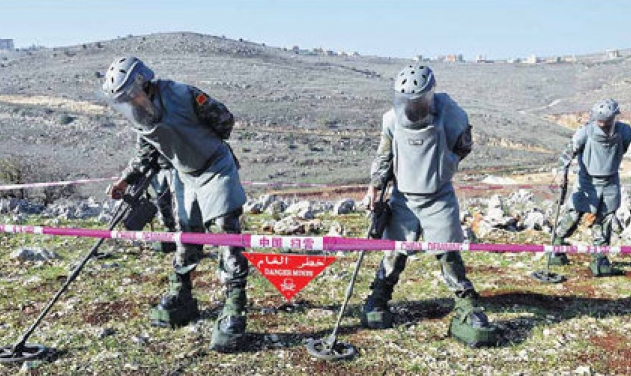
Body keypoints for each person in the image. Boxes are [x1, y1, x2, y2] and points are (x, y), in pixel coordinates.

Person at [102, 56, 249, 352]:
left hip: (215, 168)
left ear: (143, 82)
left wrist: (201, 141)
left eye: (131, 93)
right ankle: (181, 295)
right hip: (184, 176)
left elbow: (224, 119)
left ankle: (234, 307)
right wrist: (126, 180)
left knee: (227, 235)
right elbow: (146, 150)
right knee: (185, 237)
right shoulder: (140, 114)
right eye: (123, 98)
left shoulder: (183, 94)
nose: (129, 101)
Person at [362, 63, 497, 347]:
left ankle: (466, 304)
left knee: (448, 255)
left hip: (438, 197)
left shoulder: (452, 115)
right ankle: (378, 298)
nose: (411, 107)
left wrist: (449, 164)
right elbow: (384, 156)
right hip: (404, 198)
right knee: (395, 252)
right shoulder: (391, 120)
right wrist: (376, 187)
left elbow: (464, 146)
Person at [549, 98, 631, 276]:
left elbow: (623, 149)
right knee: (574, 214)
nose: (602, 125)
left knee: (606, 218)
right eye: (600, 121)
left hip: (610, 181)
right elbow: (567, 153)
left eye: (606, 122)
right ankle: (557, 243)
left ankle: (599, 259)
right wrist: (562, 173)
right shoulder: (584, 132)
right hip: (587, 181)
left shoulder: (624, 131)